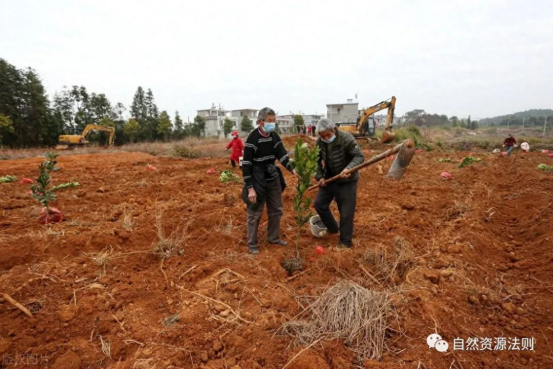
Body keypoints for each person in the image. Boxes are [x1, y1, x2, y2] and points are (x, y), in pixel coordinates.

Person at [241, 107, 298, 254]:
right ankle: (252, 244)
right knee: (254, 212)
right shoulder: (252, 140)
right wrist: (250, 188)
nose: (272, 124)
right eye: (269, 121)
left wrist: (292, 169)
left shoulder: (274, 136)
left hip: (272, 176)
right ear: (260, 122)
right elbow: (246, 165)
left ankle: (273, 238)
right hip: (257, 177)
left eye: (274, 121)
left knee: (276, 210)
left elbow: (282, 155)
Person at [314, 118, 364, 248]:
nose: (325, 138)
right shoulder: (320, 142)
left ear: (334, 129)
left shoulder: (346, 138)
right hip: (330, 178)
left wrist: (348, 169)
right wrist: (319, 177)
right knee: (319, 204)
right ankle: (332, 228)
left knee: (346, 213)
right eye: (322, 136)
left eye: (328, 135)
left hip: (347, 180)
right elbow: (316, 161)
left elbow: (359, 156)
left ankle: (345, 243)